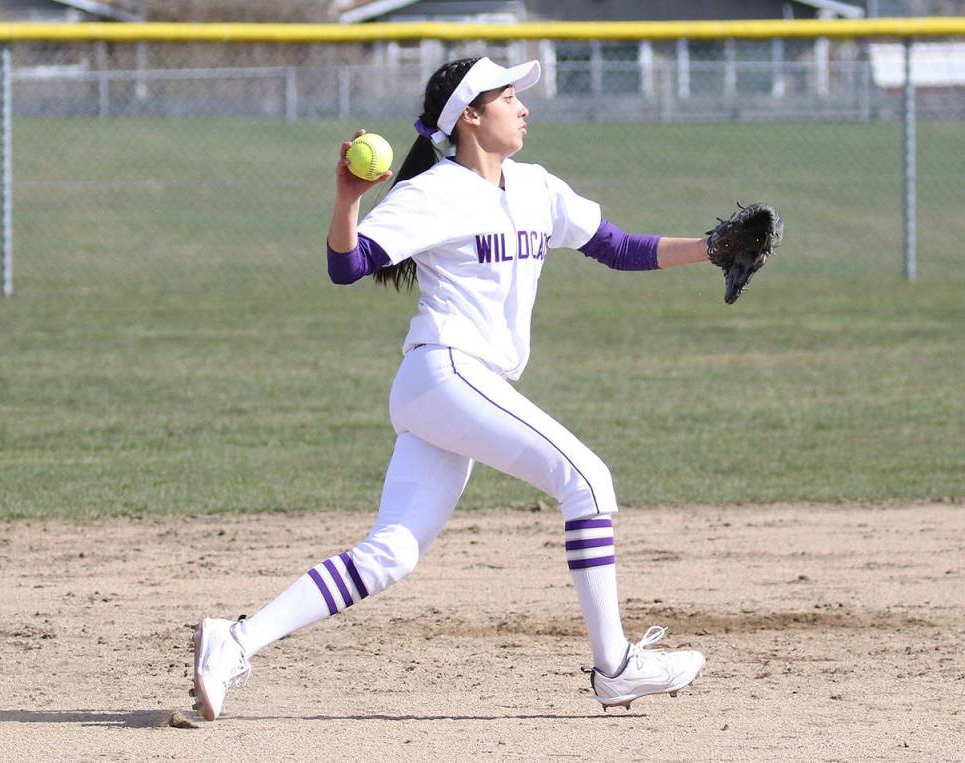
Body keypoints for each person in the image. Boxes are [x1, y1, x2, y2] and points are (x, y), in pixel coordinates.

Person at [191, 56, 709, 722]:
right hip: (448, 372)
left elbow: (615, 245)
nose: (523, 106)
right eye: (507, 97)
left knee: (391, 552)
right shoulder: (436, 191)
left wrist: (711, 247)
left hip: (452, 389)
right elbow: (347, 265)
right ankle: (616, 666)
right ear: (470, 116)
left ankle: (233, 640)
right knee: (588, 480)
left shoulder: (536, 187)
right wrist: (349, 197)